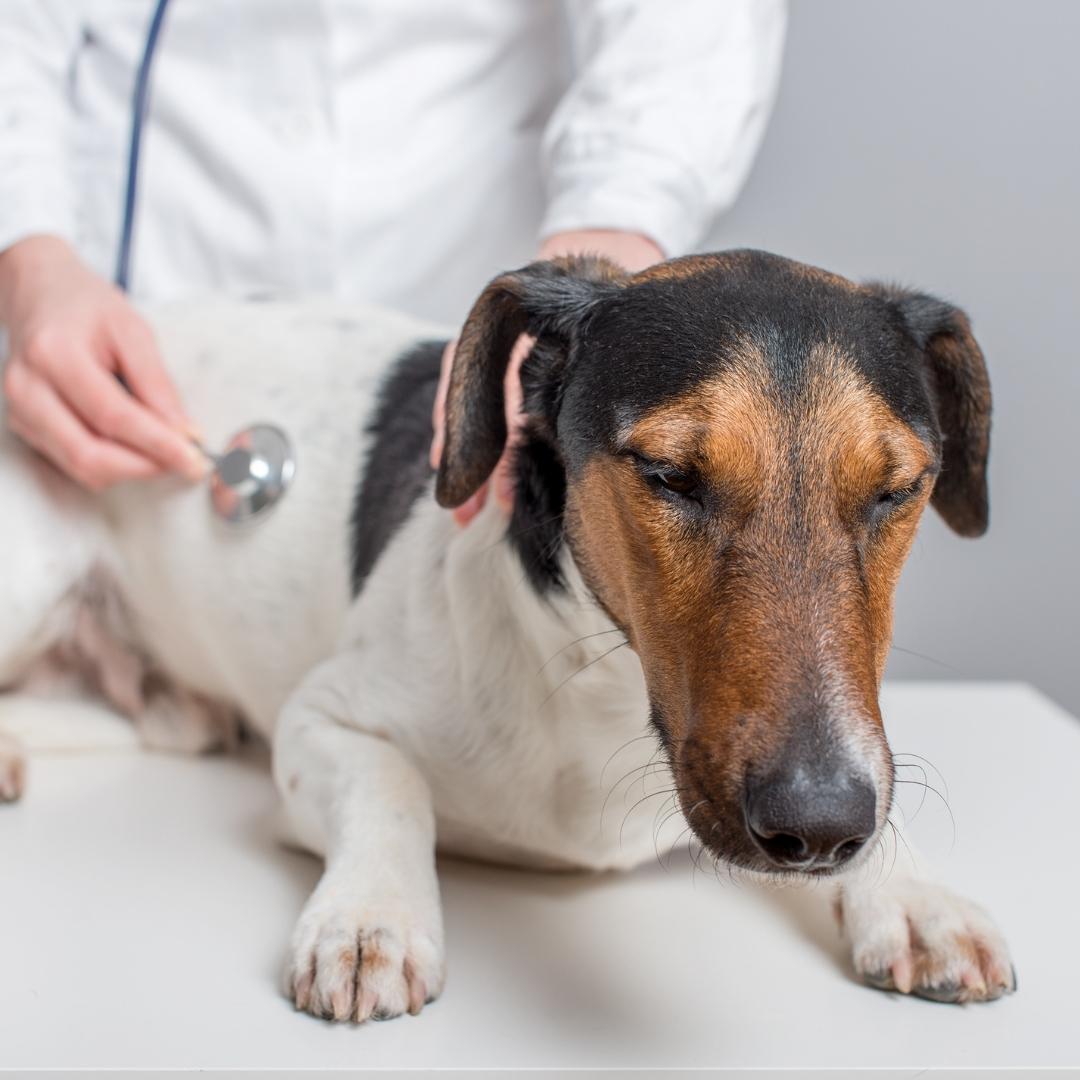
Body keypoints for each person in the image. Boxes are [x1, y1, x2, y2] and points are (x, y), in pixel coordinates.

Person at [0, 1, 786, 516]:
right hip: (135, 324)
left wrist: (591, 270)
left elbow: (684, 24)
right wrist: (29, 257)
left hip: (460, 293)